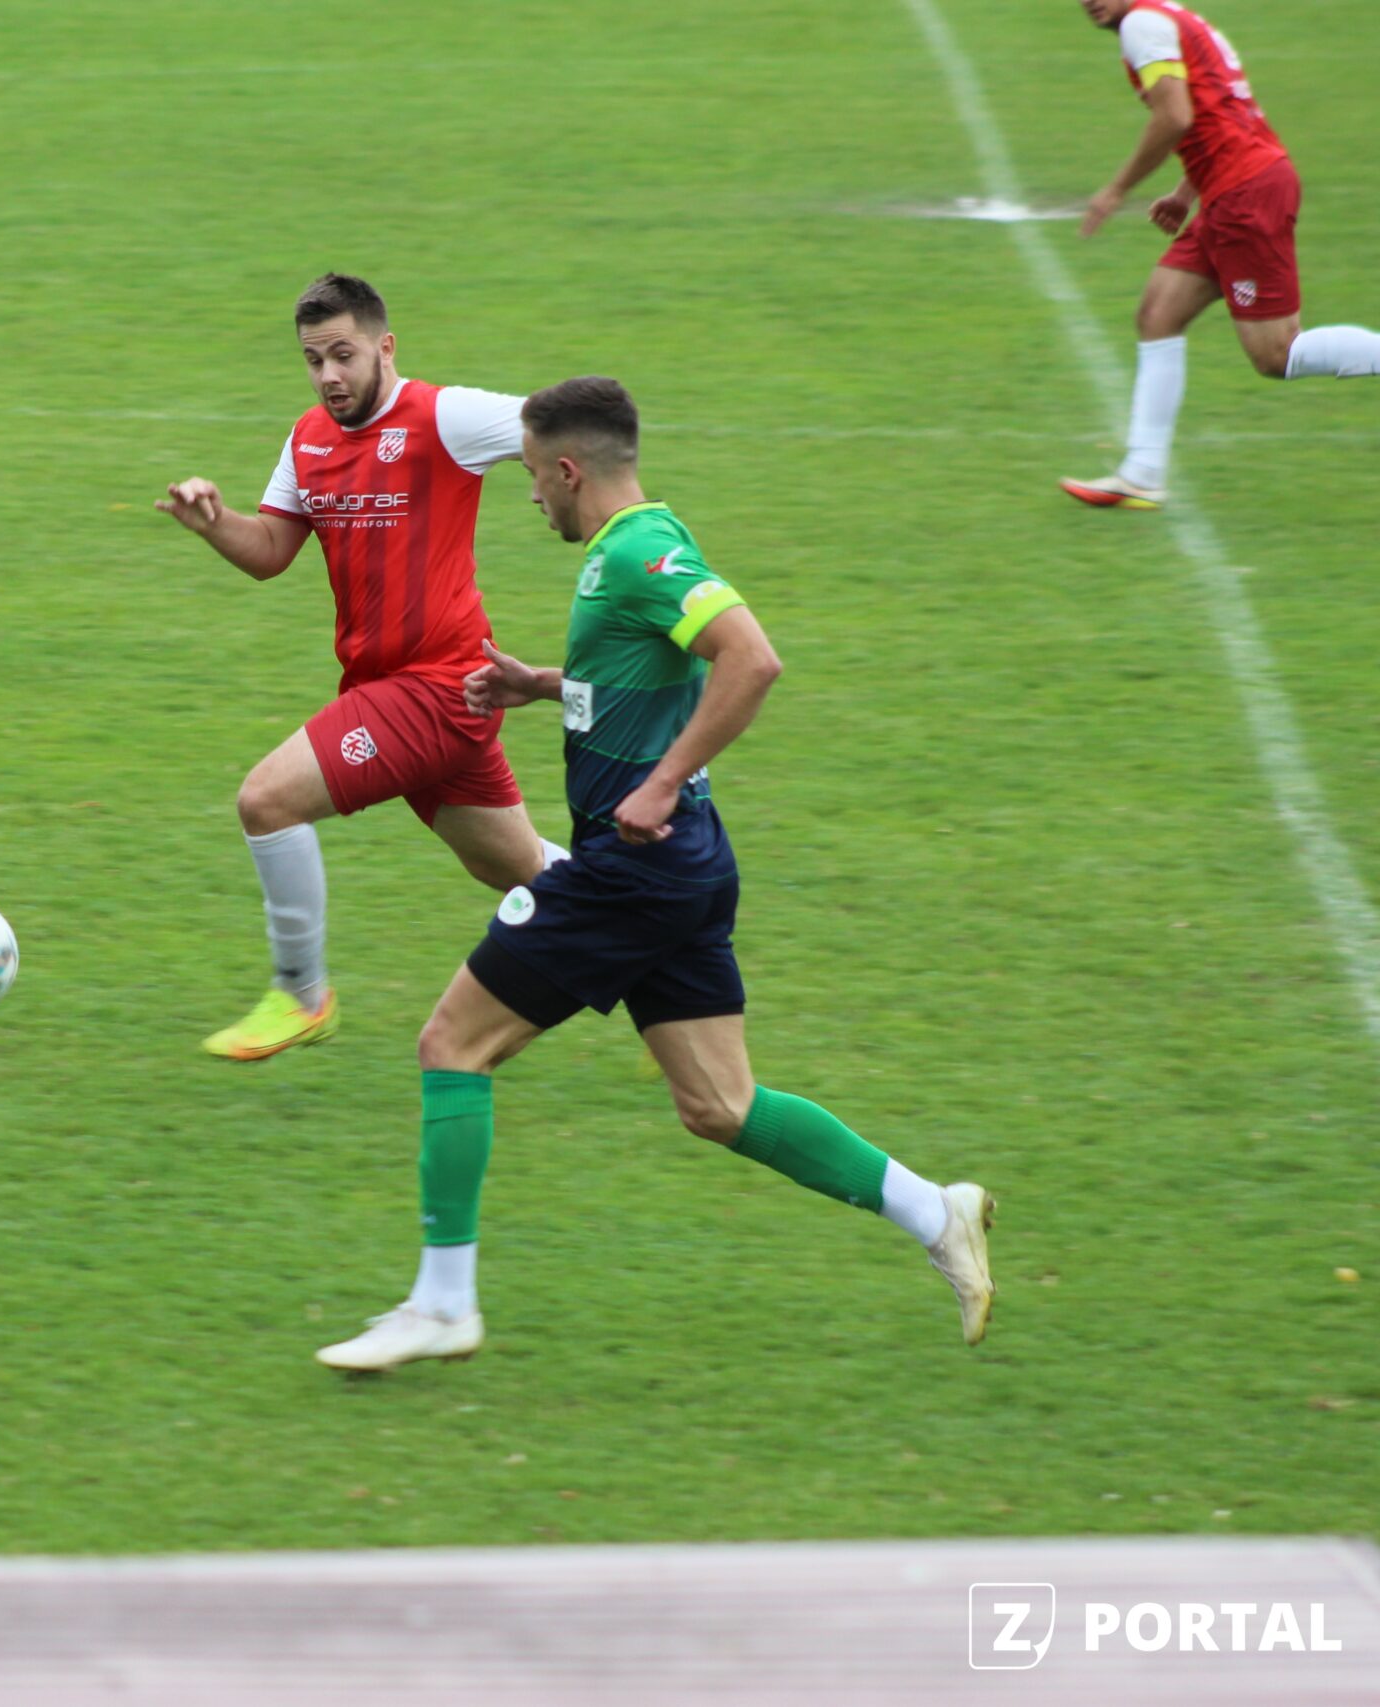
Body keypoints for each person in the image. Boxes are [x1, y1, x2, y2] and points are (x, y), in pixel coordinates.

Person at [315, 377, 995, 1373]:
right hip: (683, 866)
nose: (528, 496)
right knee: (719, 1105)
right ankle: (937, 1212)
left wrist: (662, 781)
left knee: (451, 1044)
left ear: (566, 469)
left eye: (530, 477)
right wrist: (543, 685)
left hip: (632, 868)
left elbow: (750, 659)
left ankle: (444, 1304)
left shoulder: (636, 553)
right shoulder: (636, 545)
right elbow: (655, 670)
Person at [157, 273, 563, 1061]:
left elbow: (555, 427)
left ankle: (301, 995)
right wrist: (213, 523)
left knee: (267, 800)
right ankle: (662, 942)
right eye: (314, 360)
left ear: (385, 347)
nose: (329, 376)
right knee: (526, 871)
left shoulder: (442, 417)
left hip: (438, 688)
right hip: (393, 691)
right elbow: (270, 550)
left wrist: (559, 489)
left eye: (343, 355)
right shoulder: (308, 439)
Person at [1061, 0, 1379, 511]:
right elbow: (1217, 112)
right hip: (1232, 188)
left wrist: (1117, 189)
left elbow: (1175, 116)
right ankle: (1142, 474)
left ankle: (1142, 472)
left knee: (1277, 354)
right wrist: (1186, 192)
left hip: (1245, 193)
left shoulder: (1142, 24)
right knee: (1158, 313)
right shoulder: (1176, 18)